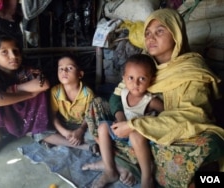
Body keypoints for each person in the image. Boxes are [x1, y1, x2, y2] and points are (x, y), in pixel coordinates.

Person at [83, 8, 224, 188]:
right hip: (131, 127)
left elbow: (192, 116)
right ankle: (123, 163)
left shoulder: (191, 69)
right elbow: (118, 94)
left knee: (208, 145)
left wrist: (137, 125)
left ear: (176, 35)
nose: (150, 38)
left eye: (159, 31)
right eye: (147, 33)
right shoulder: (144, 63)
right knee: (97, 105)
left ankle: (132, 165)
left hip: (170, 130)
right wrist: (121, 118)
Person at [88, 54, 164, 188]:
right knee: (103, 127)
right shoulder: (123, 92)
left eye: (142, 78)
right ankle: (110, 170)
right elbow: (118, 109)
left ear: (151, 80)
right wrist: (119, 122)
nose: (135, 83)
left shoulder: (150, 100)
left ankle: (147, 178)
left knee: (135, 134)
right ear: (123, 78)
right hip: (123, 132)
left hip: (139, 136)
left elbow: (168, 113)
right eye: (131, 78)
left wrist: (151, 119)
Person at [0, 28, 52, 158]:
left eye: (15, 51)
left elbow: (44, 83)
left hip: (23, 113)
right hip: (3, 116)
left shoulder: (26, 69)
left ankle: (32, 130)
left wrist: (14, 89)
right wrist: (28, 93)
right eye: (5, 52)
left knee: (41, 92)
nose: (13, 56)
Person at [44, 54, 96, 152]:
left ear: (80, 74)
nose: (64, 71)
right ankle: (83, 146)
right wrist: (65, 133)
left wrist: (80, 130)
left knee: (99, 133)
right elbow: (53, 116)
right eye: (61, 69)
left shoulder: (87, 93)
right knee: (39, 132)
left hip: (83, 125)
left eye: (69, 68)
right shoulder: (55, 91)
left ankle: (60, 140)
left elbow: (90, 116)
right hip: (63, 125)